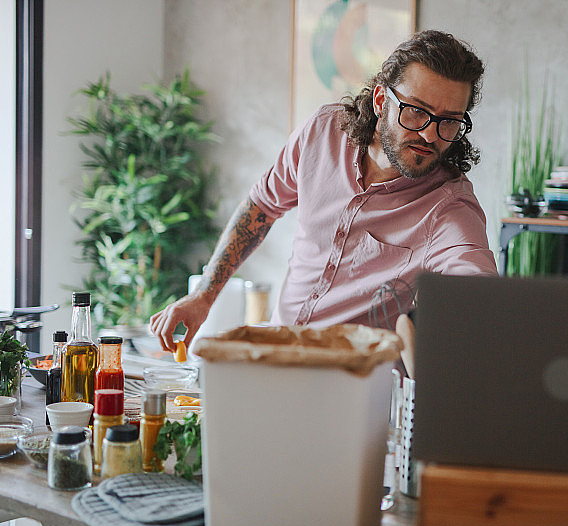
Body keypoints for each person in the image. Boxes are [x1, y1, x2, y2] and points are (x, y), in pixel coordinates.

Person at [150, 30, 497, 351]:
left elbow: (478, 289)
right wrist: (203, 296)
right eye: (417, 111)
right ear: (381, 101)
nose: (430, 135)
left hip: (350, 390)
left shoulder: (449, 208)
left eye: (450, 120)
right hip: (276, 356)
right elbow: (262, 205)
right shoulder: (323, 132)